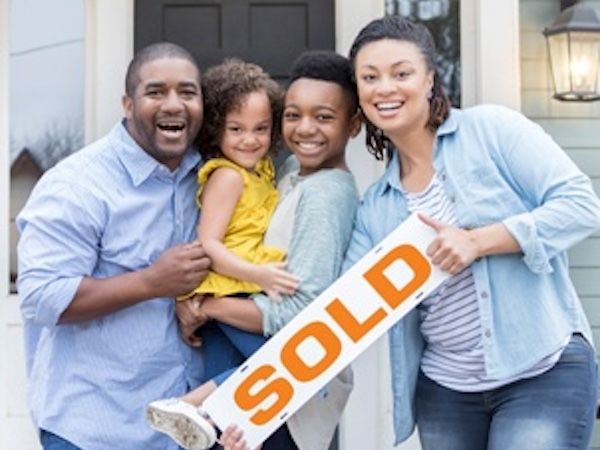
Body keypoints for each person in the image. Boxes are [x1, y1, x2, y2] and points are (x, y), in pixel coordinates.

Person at [343, 15, 600, 450]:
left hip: (540, 369)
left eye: (401, 73)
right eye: (370, 78)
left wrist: (478, 241)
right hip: (446, 392)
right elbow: (346, 308)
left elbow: (581, 206)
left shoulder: (493, 131)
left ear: (429, 79)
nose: (384, 88)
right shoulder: (376, 205)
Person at [150, 50, 362, 450]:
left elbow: (300, 315)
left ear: (353, 125)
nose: (304, 129)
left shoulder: (326, 192)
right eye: (294, 115)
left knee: (254, 375)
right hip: (256, 385)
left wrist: (204, 307)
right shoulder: (286, 175)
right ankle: (198, 412)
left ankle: (190, 406)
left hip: (289, 396)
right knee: (221, 420)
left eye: (324, 117)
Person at [17, 42, 209, 450]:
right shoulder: (77, 184)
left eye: (187, 92)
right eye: (156, 92)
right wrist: (154, 282)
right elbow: (42, 297)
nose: (174, 104)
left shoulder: (211, 176)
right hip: (94, 431)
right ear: (127, 103)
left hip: (186, 430)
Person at [147, 58, 299, 448]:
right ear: (217, 129)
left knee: (232, 397)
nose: (250, 139)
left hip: (231, 292)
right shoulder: (228, 176)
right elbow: (210, 244)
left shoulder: (260, 171)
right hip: (229, 290)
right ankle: (185, 404)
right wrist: (260, 275)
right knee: (279, 367)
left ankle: (198, 419)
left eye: (261, 129)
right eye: (236, 129)